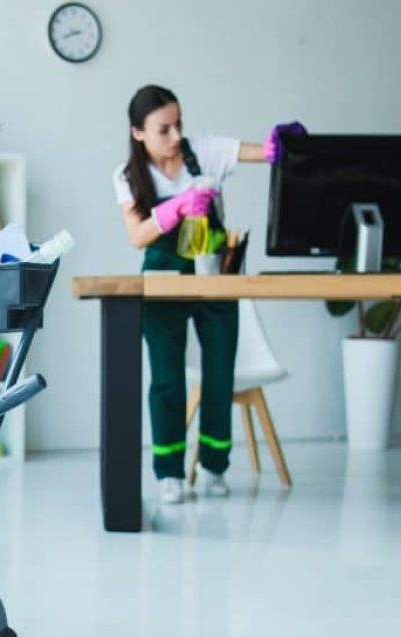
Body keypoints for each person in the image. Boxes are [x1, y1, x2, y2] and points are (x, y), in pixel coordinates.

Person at [112, 84, 304, 504]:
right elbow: (138, 235)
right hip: (163, 279)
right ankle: (169, 472)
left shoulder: (204, 152)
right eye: (163, 129)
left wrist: (279, 145)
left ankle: (215, 466)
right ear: (138, 133)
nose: (175, 136)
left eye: (178, 124)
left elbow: (262, 153)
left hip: (215, 275)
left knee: (220, 372)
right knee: (166, 378)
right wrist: (176, 208)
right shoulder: (128, 176)